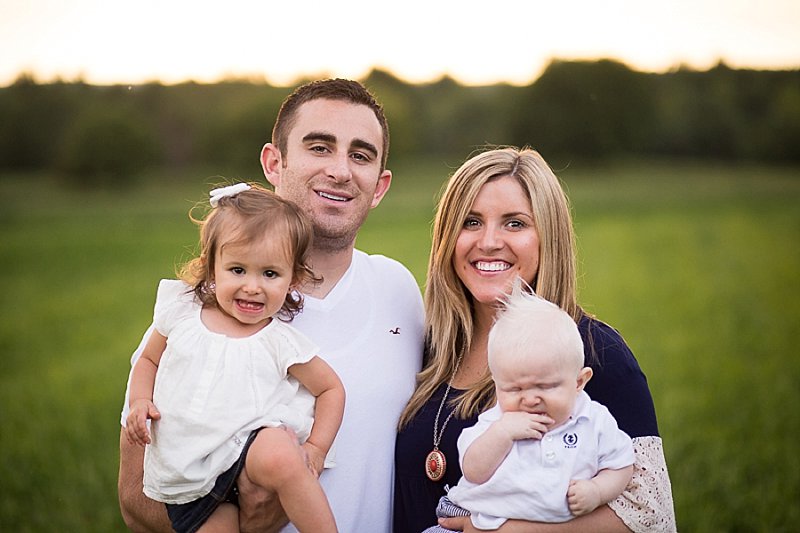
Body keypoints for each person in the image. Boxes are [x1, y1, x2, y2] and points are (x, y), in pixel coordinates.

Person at [119, 79, 425, 533]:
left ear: (379, 186)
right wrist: (245, 520)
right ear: (274, 163)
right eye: (319, 147)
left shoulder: (398, 289)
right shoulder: (203, 310)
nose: (341, 170)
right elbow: (134, 499)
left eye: (360, 155)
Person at [394, 146, 676, 532]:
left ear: (548, 237)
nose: (489, 241)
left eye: (514, 223)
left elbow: (652, 515)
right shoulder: (429, 346)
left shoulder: (595, 352)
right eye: (471, 222)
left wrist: (499, 530)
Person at [125, 183, 344, 532]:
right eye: (238, 270)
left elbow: (331, 388)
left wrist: (316, 448)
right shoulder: (181, 313)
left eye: (270, 274)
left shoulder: (279, 340)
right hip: (188, 471)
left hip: (249, 448)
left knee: (281, 451)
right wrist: (139, 401)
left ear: (293, 279)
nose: (252, 287)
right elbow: (148, 360)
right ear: (211, 268)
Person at [422, 283, 634, 532]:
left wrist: (597, 491)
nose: (531, 399)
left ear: (579, 382)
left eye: (546, 387)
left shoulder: (593, 420)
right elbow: (473, 471)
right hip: (476, 516)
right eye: (514, 389)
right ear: (497, 384)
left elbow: (621, 466)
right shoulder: (496, 423)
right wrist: (503, 433)